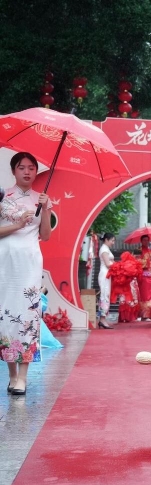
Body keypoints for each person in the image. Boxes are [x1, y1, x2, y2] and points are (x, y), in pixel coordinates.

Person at [0, 152, 52, 395]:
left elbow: (46, 235)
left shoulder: (40, 199)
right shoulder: (3, 197)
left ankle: (22, 377)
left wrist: (47, 209)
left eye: (32, 167)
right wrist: (18, 225)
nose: (27, 172)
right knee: (6, 316)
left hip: (29, 262)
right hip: (5, 261)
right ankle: (11, 375)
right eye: (22, 167)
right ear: (14, 171)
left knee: (28, 316)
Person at [97, 232, 116, 329]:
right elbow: (108, 264)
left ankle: (103, 318)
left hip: (107, 274)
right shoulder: (104, 249)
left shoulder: (106, 249)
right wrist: (117, 265)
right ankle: (102, 319)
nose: (113, 243)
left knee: (106, 295)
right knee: (104, 296)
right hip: (105, 274)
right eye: (112, 240)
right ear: (106, 240)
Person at [137, 235, 151, 321]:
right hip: (143, 276)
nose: (146, 242)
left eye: (147, 240)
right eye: (144, 240)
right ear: (141, 241)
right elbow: (136, 262)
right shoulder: (138, 250)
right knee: (145, 295)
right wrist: (146, 261)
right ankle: (144, 315)